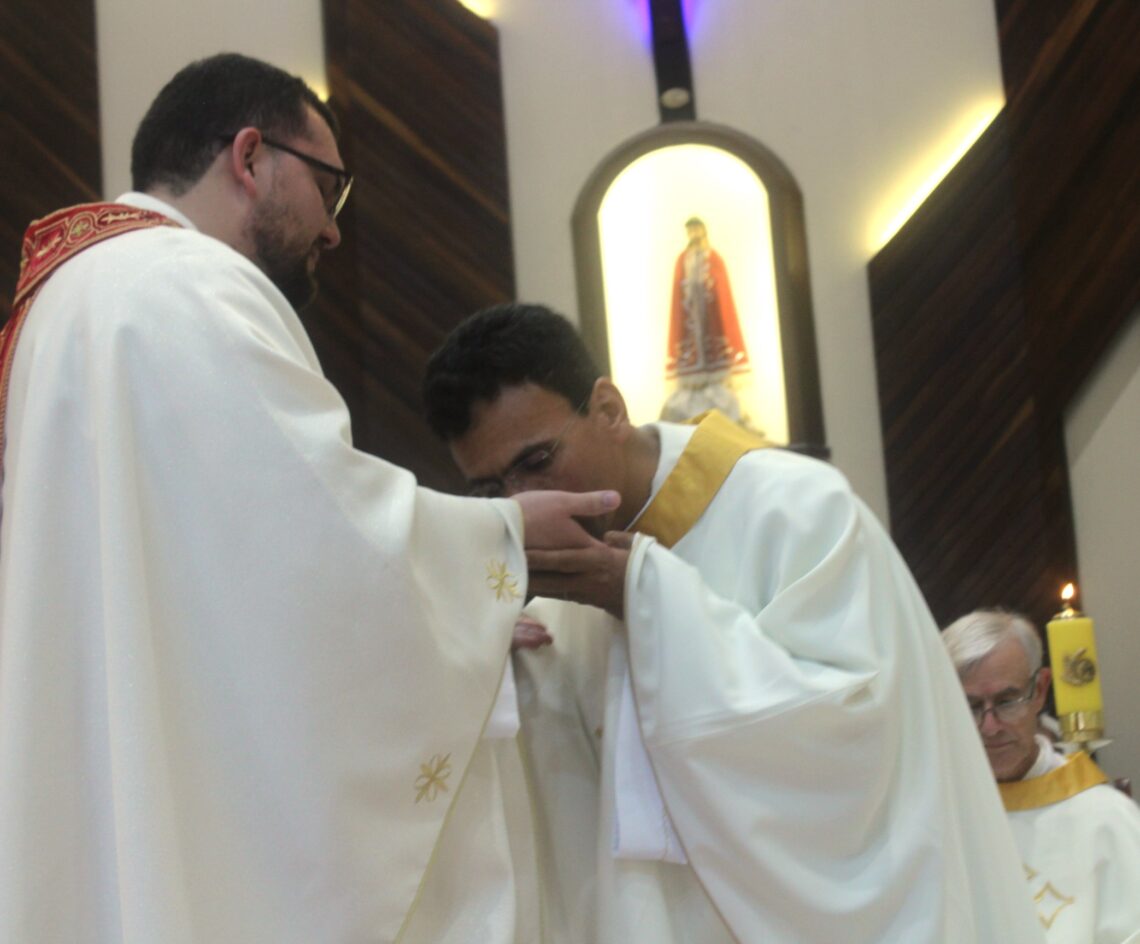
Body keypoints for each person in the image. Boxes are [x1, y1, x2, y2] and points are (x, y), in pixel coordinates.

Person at [0, 54, 619, 943]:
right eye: (330, 187)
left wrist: (464, 601)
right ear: (251, 157)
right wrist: (499, 544)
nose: (333, 230)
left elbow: (218, 576)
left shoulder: (73, 295)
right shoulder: (189, 284)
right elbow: (313, 540)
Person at [421, 301, 1045, 943]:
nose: (524, 504)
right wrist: (485, 666)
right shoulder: (538, 578)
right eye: (489, 491)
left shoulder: (799, 511)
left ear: (608, 409)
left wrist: (646, 601)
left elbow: (862, 737)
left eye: (537, 461)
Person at [943, 610, 1140, 943]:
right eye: (971, 706)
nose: (990, 727)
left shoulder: (1107, 819)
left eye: (1007, 701)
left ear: (1040, 690)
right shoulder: (934, 816)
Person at [662, 216, 750, 424]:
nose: (693, 234)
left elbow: (721, 291)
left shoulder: (713, 258)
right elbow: (678, 293)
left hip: (711, 319)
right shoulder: (682, 259)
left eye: (696, 230)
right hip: (690, 320)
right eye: (690, 231)